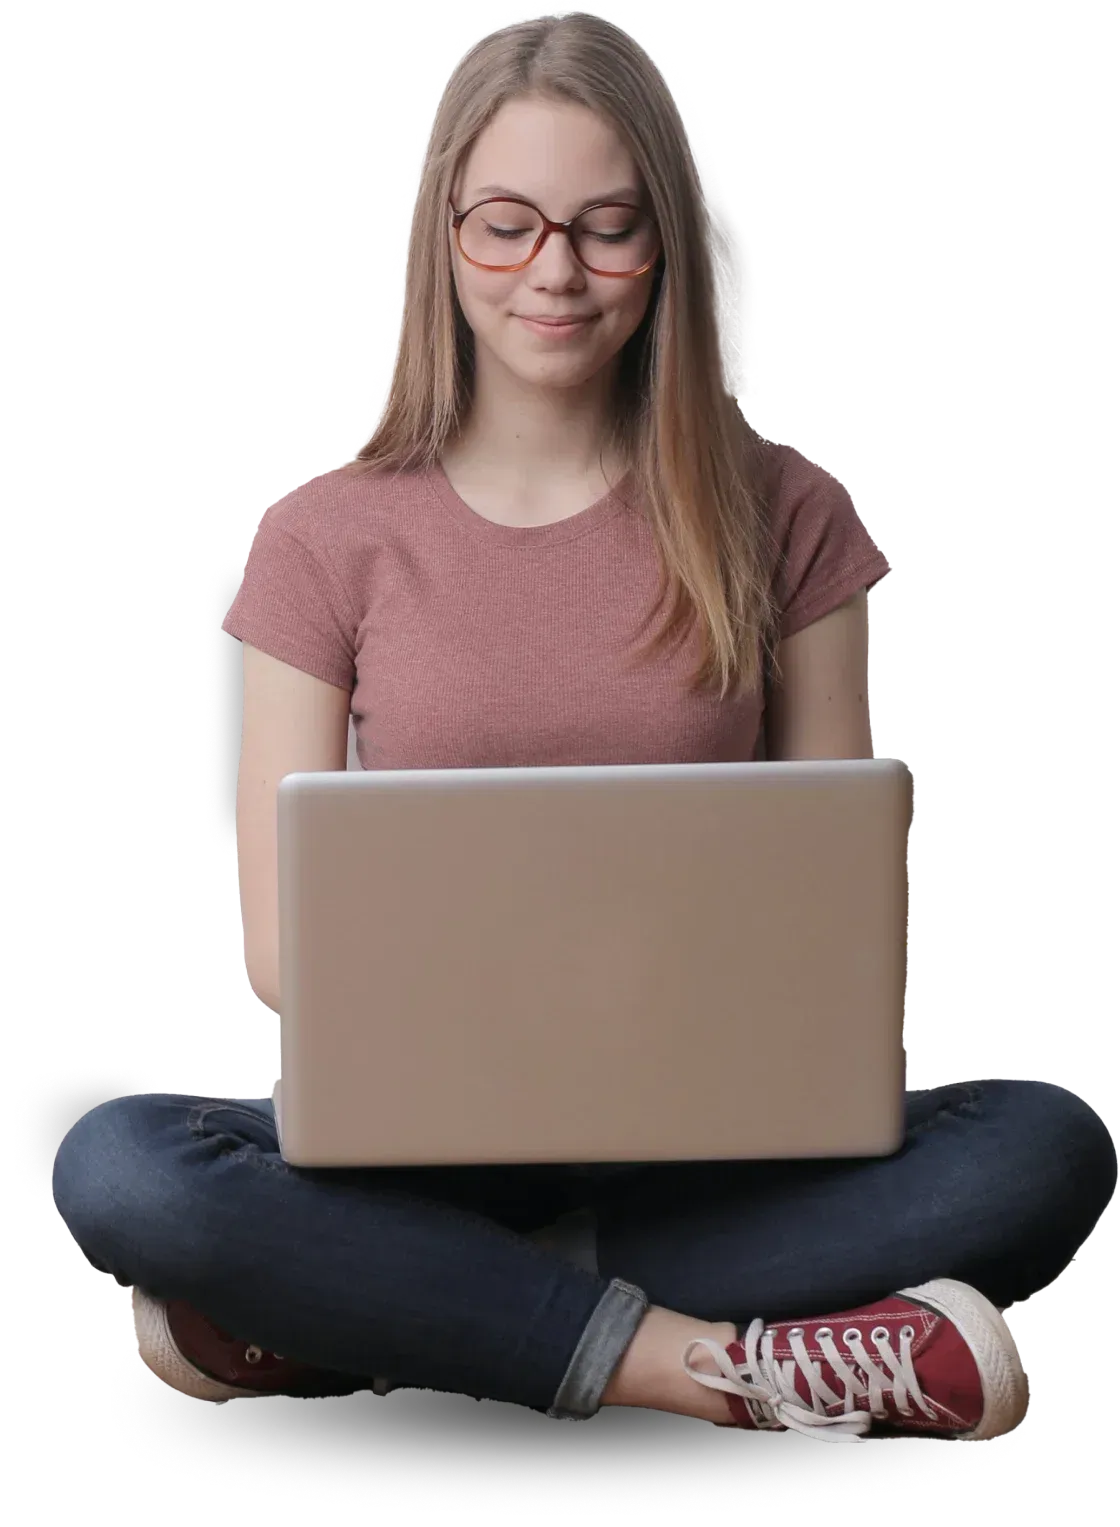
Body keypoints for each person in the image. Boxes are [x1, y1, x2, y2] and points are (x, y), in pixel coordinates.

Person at [52, 12, 1116, 1445]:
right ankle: (710, 1364)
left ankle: (358, 1316)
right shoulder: (324, 536)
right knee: (124, 1166)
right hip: (415, 1157)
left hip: (719, 1152)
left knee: (1045, 1148)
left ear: (667, 245)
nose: (554, 272)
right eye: (507, 226)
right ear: (445, 241)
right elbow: (284, 953)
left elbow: (835, 923)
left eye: (607, 227)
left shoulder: (788, 513)